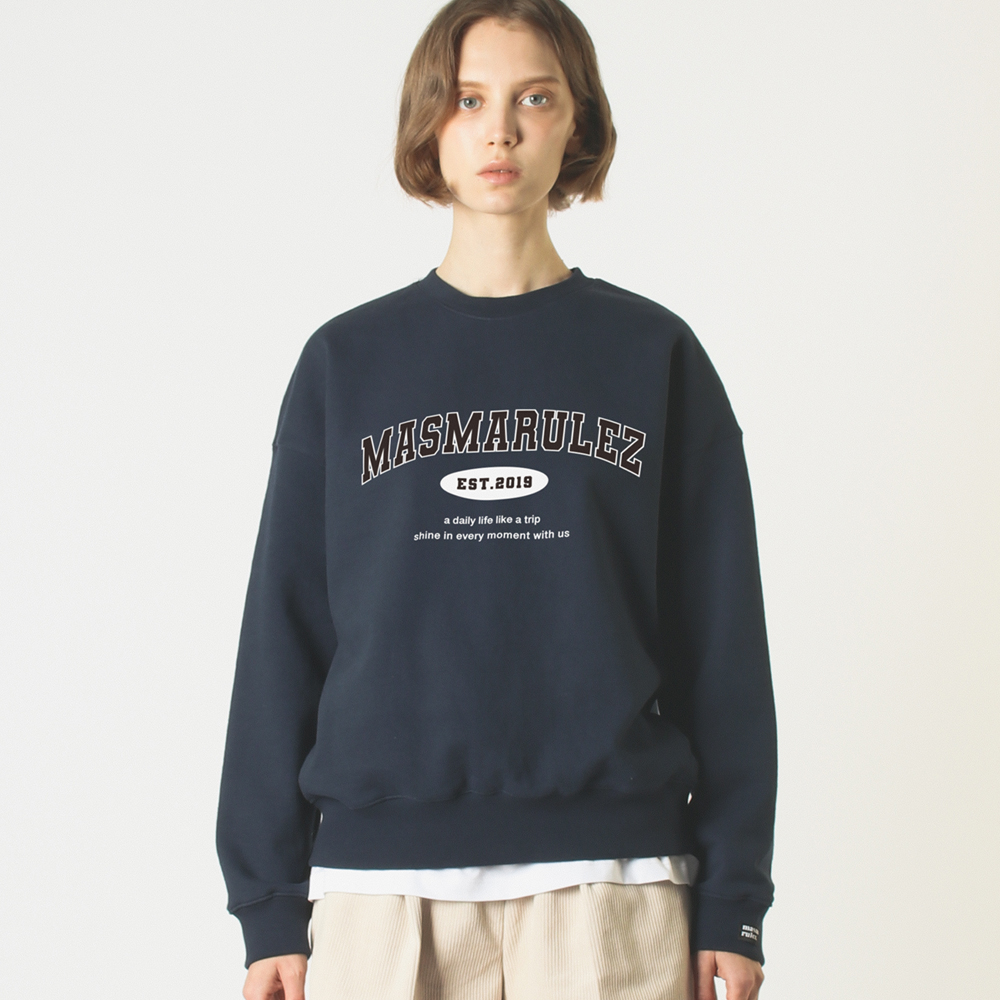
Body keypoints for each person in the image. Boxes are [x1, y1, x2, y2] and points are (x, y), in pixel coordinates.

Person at [215, 1, 778, 998]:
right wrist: (267, 905)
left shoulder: (654, 357)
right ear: (430, 122)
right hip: (380, 896)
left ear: (577, 121)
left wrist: (734, 895)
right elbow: (282, 635)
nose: (501, 131)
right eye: (469, 100)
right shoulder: (347, 364)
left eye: (535, 98)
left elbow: (722, 646)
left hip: (613, 886)